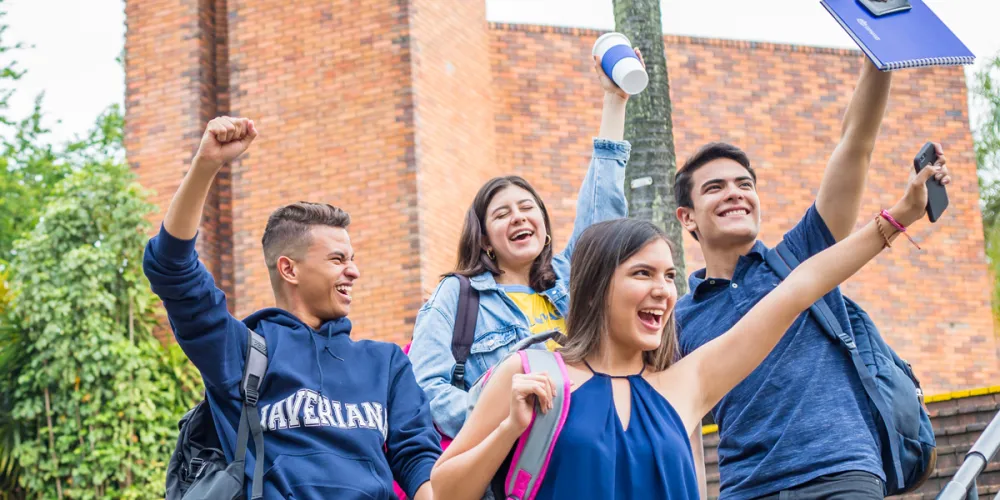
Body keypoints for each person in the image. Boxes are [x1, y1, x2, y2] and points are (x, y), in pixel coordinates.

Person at [428, 157, 950, 500]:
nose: (663, 290)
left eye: (670, 276)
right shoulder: (531, 373)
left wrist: (898, 217)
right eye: (642, 274)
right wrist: (509, 429)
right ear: (595, 287)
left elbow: (799, 287)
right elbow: (445, 489)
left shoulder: (686, 383)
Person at [673, 60, 950, 499]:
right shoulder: (678, 318)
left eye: (745, 184)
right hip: (746, 489)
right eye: (715, 187)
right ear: (686, 218)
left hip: (842, 473)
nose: (735, 193)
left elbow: (855, 144)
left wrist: (880, 53)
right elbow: (680, 423)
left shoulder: (801, 253)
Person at [143, 117, 440, 499]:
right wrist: (205, 166)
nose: (354, 270)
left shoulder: (386, 365)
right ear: (289, 269)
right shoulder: (241, 353)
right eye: (337, 259)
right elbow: (171, 269)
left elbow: (418, 460)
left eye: (352, 258)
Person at [407, 51, 636, 438]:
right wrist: (504, 408)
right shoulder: (456, 297)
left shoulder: (568, 278)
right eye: (501, 214)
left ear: (545, 228)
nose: (518, 217)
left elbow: (602, 212)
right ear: (484, 240)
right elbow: (426, 396)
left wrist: (614, 101)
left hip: (599, 444)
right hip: (519, 469)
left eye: (527, 207)